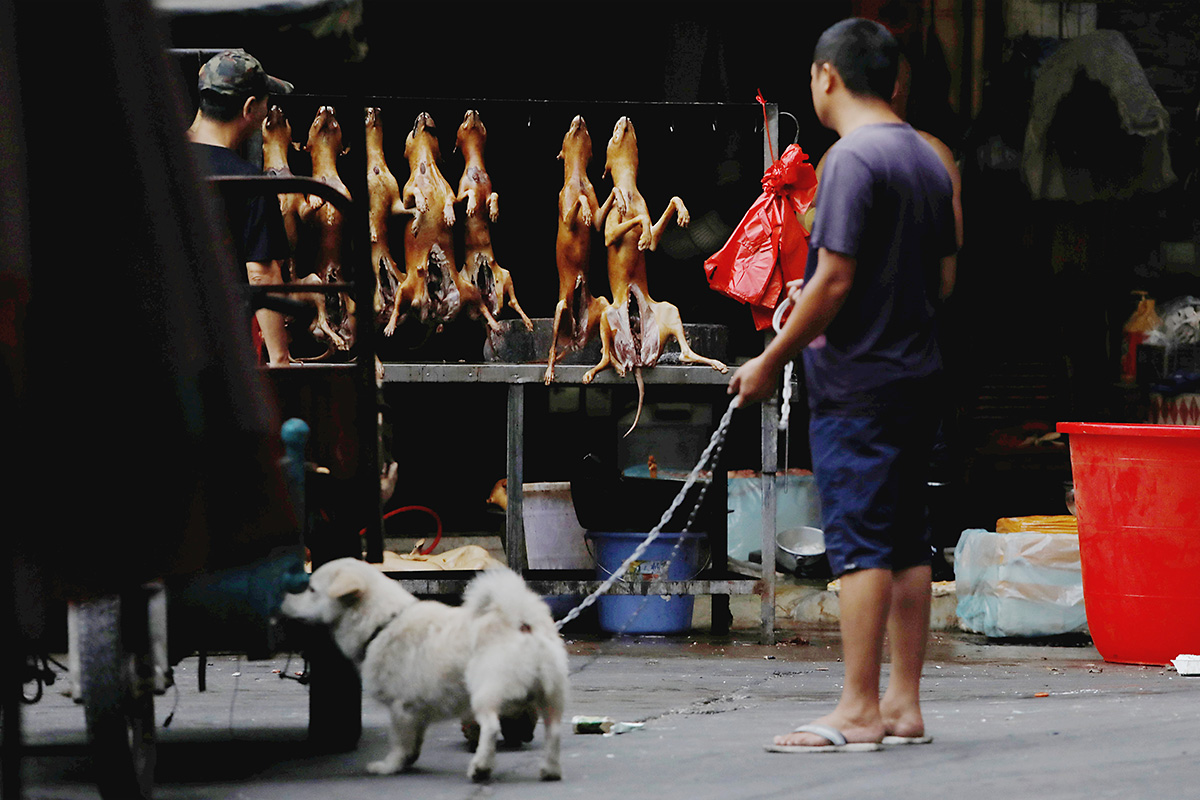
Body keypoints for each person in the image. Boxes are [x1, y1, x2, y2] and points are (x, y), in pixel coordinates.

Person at [728, 18, 957, 752]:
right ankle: (903, 704)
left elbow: (836, 277)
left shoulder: (853, 160)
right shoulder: (929, 160)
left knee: (860, 542)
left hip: (858, 380)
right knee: (910, 541)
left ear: (827, 77)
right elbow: (943, 277)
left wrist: (771, 359)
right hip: (917, 372)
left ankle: (858, 708)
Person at [186, 49, 294, 366]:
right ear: (249, 108)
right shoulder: (248, 180)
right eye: (266, 104)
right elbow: (260, 272)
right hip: (220, 345)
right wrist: (281, 359)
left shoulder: (163, 163)